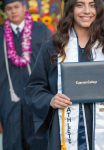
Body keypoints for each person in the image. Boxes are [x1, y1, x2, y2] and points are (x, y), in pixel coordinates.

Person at [25, 0, 104, 149]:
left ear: (98, 9)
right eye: (80, 5)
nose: (87, 11)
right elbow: (34, 87)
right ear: (70, 9)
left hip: (103, 129)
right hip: (66, 130)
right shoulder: (54, 47)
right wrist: (50, 100)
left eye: (92, 5)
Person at [0, 0, 51, 150]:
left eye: (16, 7)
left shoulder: (41, 30)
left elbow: (52, 65)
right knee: (12, 142)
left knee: (39, 142)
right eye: (9, 8)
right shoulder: (1, 33)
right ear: (5, 12)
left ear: (24, 7)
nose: (13, 11)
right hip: (8, 100)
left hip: (37, 98)